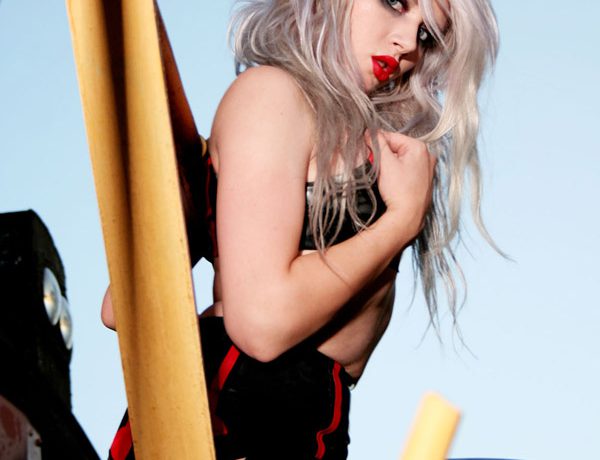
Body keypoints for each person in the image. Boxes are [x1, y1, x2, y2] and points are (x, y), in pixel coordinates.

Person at [103, 0, 499, 458]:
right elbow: (261, 323)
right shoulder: (273, 95)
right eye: (394, 3)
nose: (408, 43)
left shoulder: (368, 137)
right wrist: (399, 222)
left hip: (309, 424)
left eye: (427, 34)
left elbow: (123, 303)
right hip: (234, 417)